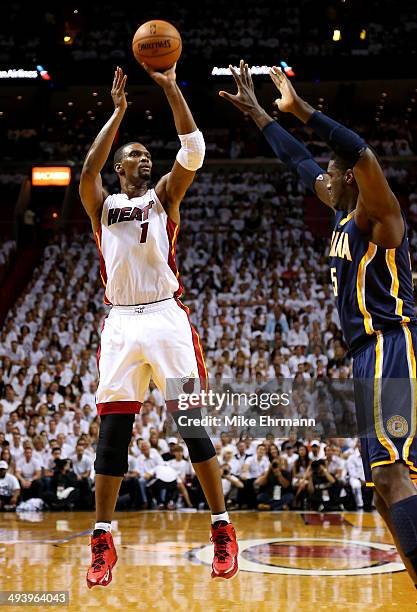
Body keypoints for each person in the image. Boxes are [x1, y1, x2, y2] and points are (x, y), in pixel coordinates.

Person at [220, 59, 417, 588]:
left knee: (395, 474)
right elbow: (297, 158)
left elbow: (362, 152)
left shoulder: (380, 215)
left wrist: (300, 107)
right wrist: (261, 114)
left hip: (390, 344)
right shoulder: (337, 209)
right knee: (382, 488)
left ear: (349, 178)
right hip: (364, 355)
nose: (320, 180)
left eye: (331, 175)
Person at [79, 65, 238, 588]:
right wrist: (118, 114)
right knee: (113, 434)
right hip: (121, 324)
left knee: (192, 426)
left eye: (148, 155)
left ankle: (221, 528)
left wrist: (171, 88)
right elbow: (86, 173)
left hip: (167, 317)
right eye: (135, 155)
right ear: (120, 167)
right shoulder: (103, 205)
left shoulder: (164, 195)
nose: (144, 159)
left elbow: (192, 150)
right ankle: (102, 539)